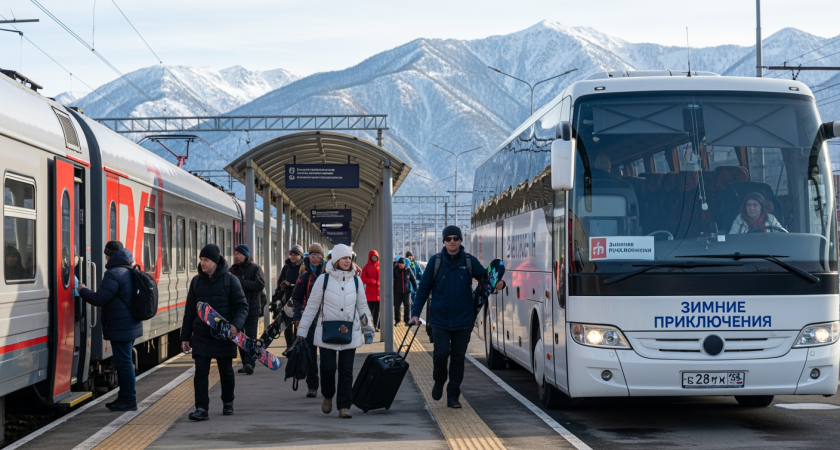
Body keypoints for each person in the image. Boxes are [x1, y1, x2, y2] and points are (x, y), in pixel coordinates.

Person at [411, 225, 505, 409]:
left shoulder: (469, 261)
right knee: (440, 354)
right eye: (448, 239)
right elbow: (423, 289)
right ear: (444, 241)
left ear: (461, 240)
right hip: (439, 319)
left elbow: (486, 279)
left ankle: (453, 394)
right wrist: (415, 313)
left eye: (455, 238)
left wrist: (499, 283)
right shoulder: (435, 261)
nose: (452, 241)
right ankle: (439, 381)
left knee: (458, 358)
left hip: (463, 319)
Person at [297, 244, 373, 419]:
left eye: (349, 258)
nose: (348, 261)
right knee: (328, 368)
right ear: (336, 260)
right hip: (326, 332)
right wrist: (302, 331)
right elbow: (311, 308)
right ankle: (328, 394)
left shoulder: (356, 281)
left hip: (350, 332)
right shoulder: (323, 280)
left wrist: (367, 327)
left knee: (346, 370)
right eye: (344, 258)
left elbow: (362, 306)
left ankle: (344, 406)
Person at [181, 244, 249, 421]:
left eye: (206, 260)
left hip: (224, 334)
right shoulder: (196, 282)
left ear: (215, 262)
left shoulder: (230, 280)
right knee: (200, 372)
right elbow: (190, 311)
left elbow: (242, 306)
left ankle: (228, 402)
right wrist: (185, 337)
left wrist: (235, 326)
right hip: (202, 335)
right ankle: (201, 408)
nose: (202, 263)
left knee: (226, 371)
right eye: (201, 260)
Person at [78, 241, 142, 411]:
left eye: (107, 254)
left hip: (121, 326)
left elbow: (99, 299)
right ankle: (124, 397)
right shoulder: (129, 269)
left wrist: (82, 289)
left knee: (124, 363)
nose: (105, 257)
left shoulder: (114, 274)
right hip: (129, 325)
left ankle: (129, 399)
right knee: (124, 363)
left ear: (112, 255)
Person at [292, 243, 327, 398]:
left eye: (318, 255)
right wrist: (298, 318)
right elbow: (296, 299)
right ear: (308, 257)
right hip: (310, 320)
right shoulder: (304, 277)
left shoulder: (329, 275)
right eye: (312, 255)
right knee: (311, 355)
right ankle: (312, 386)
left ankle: (327, 387)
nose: (315, 258)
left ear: (323, 258)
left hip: (327, 320)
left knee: (327, 357)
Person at [229, 244, 265, 375]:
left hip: (252, 308)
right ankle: (245, 363)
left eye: (239, 254)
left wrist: (241, 282)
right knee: (239, 337)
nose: (236, 256)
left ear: (246, 255)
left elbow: (260, 284)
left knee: (250, 336)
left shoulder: (255, 269)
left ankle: (250, 363)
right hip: (237, 309)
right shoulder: (232, 270)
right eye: (235, 253)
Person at [273, 244, 304, 353]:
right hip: (287, 298)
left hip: (299, 298)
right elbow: (280, 281)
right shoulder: (286, 267)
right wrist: (277, 296)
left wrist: (292, 285)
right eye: (291, 254)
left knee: (297, 321)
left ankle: (296, 345)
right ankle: (289, 345)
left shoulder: (303, 267)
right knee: (287, 323)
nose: (292, 256)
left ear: (300, 256)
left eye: (295, 254)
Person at [360, 250, 381, 331]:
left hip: (378, 293)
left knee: (377, 312)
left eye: (375, 257)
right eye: (373, 257)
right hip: (369, 293)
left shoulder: (380, 266)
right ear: (370, 257)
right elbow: (362, 279)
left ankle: (376, 326)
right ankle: (369, 325)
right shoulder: (367, 267)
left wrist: (379, 282)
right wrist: (371, 281)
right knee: (369, 312)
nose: (374, 258)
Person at [393, 256, 417, 326]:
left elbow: (413, 280)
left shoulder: (408, 270)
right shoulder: (395, 270)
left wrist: (416, 288)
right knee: (397, 307)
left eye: (402, 263)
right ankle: (397, 321)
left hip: (406, 291)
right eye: (400, 263)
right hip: (397, 292)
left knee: (407, 305)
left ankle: (407, 320)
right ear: (398, 264)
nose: (401, 265)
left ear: (405, 264)